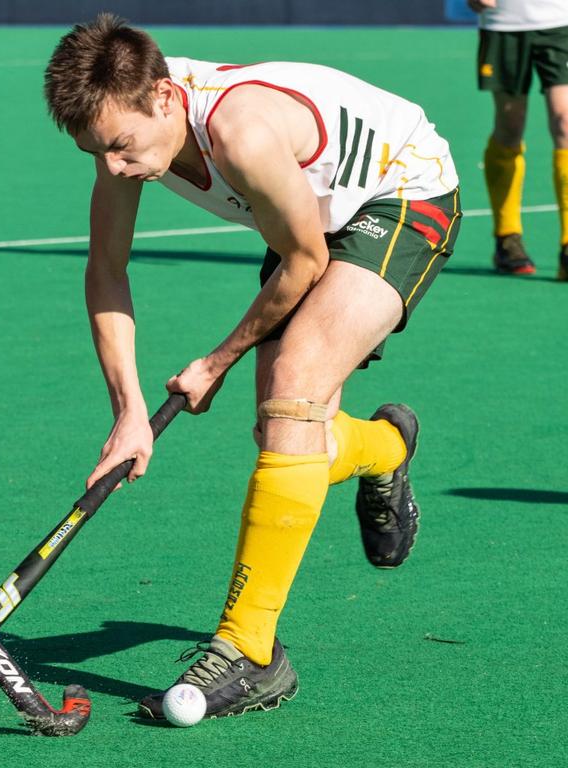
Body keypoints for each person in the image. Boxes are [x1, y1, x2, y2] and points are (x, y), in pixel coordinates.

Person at [44, 15, 461, 721]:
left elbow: (306, 261)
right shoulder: (125, 124)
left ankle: (249, 653)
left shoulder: (241, 132)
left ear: (167, 100)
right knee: (286, 438)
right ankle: (386, 447)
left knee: (293, 397)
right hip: (305, 212)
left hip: (399, 190)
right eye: (95, 152)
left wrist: (217, 361)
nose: (112, 168)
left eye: (120, 148)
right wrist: (129, 412)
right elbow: (106, 270)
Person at [469, 0, 568, 277]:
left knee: (565, 121)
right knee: (510, 125)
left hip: (561, 22)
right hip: (504, 22)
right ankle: (507, 236)